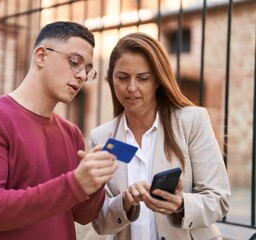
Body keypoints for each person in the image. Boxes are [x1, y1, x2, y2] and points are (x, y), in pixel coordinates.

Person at [0, 21, 118, 240]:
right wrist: (74, 184)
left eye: (88, 70)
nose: (81, 75)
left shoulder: (71, 133)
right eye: (74, 62)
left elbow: (83, 215)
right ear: (41, 56)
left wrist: (94, 183)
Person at [90, 32, 231, 240]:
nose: (131, 88)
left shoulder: (192, 121)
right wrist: (125, 203)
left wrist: (181, 204)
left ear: (157, 80)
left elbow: (219, 200)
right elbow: (99, 221)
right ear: (111, 78)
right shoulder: (102, 137)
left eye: (143, 78)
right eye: (122, 77)